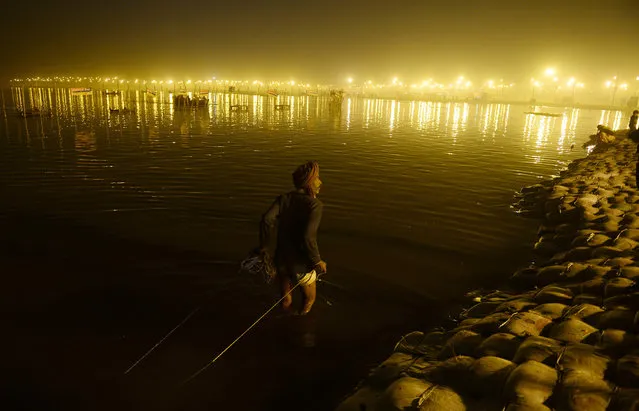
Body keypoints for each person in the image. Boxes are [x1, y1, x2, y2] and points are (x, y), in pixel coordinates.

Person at [260, 161, 327, 315]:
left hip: (281, 260)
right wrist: (317, 260)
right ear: (309, 182)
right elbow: (308, 237)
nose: (320, 181)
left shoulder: (284, 198)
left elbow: (266, 220)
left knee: (285, 301)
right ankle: (300, 329)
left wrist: (265, 248)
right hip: (301, 264)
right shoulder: (315, 205)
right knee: (309, 300)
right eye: (317, 177)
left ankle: (282, 324)